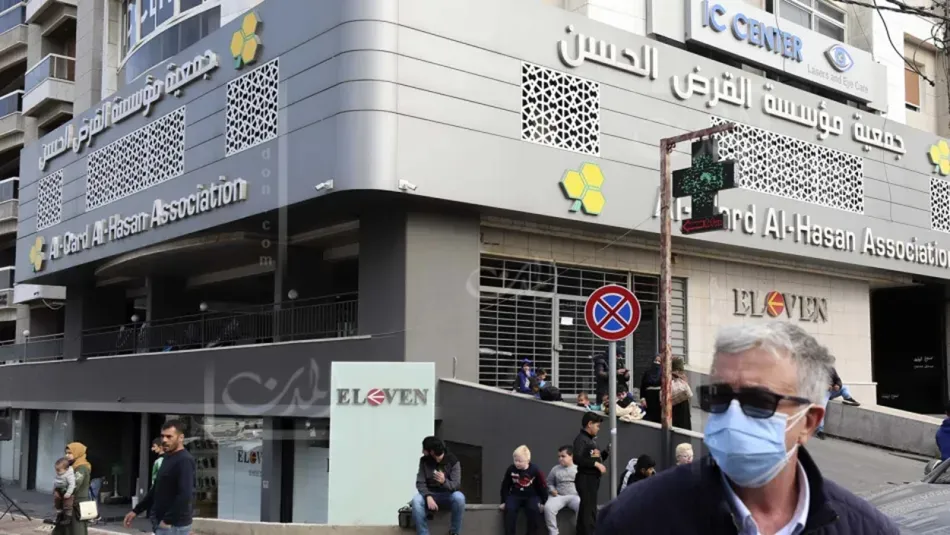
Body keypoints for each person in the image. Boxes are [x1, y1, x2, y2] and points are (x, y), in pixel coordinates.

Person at [597, 322, 900, 534]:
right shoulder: (635, 518)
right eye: (719, 397)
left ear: (808, 422)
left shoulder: (867, 529)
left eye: (759, 400)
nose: (732, 415)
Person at [124, 420, 196, 534]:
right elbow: (157, 488)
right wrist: (136, 511)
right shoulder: (167, 457)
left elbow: (185, 495)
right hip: (162, 523)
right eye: (162, 436)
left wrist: (167, 521)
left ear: (181, 438)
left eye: (169, 436)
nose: (164, 440)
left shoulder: (184, 460)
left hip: (174, 526)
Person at [409, 436, 464, 535]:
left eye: (424, 449)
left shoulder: (453, 461)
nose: (422, 452)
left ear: (432, 452)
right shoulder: (424, 461)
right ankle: (423, 533)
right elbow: (420, 482)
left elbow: (456, 485)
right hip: (430, 494)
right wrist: (428, 496)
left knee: (459, 497)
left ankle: (454, 532)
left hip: (447, 495)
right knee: (416, 500)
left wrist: (444, 481)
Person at [499, 445, 547, 535]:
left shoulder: (535, 470)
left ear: (528, 460)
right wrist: (503, 501)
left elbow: (542, 486)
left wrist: (544, 502)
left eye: (520, 461)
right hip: (515, 495)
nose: (517, 463)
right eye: (515, 460)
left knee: (533, 510)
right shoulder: (511, 469)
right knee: (510, 510)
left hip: (531, 496)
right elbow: (505, 486)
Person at [572, 411, 607, 535]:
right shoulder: (581, 439)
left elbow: (594, 458)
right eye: (597, 426)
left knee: (587, 510)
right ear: (590, 424)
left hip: (592, 479)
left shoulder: (590, 440)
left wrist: (605, 453)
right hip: (585, 479)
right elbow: (577, 459)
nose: (598, 429)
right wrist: (596, 464)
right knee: (588, 511)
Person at [53, 443, 91, 535]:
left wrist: (60, 491)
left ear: (78, 453)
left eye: (70, 453)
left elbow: (75, 485)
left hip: (76, 505)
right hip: (68, 503)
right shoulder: (70, 467)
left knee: (76, 530)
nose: (67, 455)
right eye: (66, 453)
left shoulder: (81, 468)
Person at [816, 366, 861, 439]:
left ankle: (847, 398)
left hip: (832, 391)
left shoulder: (831, 368)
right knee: (822, 408)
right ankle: (820, 430)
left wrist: (838, 385)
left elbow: (838, 379)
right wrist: (824, 386)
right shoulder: (816, 368)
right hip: (822, 393)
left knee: (845, 387)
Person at [544, 445, 579, 535]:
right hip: (558, 496)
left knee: (583, 506)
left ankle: (580, 530)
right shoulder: (555, 469)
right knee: (548, 508)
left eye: (563, 456)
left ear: (571, 456)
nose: (560, 459)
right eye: (559, 456)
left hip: (574, 496)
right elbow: (549, 482)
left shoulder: (578, 469)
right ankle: (553, 532)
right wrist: (552, 489)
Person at [671, 357, 693, 430]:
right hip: (682, 407)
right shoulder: (681, 378)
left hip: (675, 407)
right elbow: (688, 394)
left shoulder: (669, 376)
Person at [53, 457, 75, 526]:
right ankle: (59, 513)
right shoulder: (59, 473)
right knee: (57, 502)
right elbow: (55, 482)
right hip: (58, 489)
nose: (57, 472)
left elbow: (72, 484)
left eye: (59, 471)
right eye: (56, 470)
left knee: (68, 504)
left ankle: (68, 518)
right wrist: (54, 489)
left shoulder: (69, 475)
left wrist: (68, 493)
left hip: (66, 490)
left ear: (66, 469)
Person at [639, 356, 662, 423]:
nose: (657, 363)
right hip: (649, 398)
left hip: (659, 398)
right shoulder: (647, 373)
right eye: (655, 361)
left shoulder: (663, 373)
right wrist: (642, 398)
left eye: (659, 361)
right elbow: (642, 386)